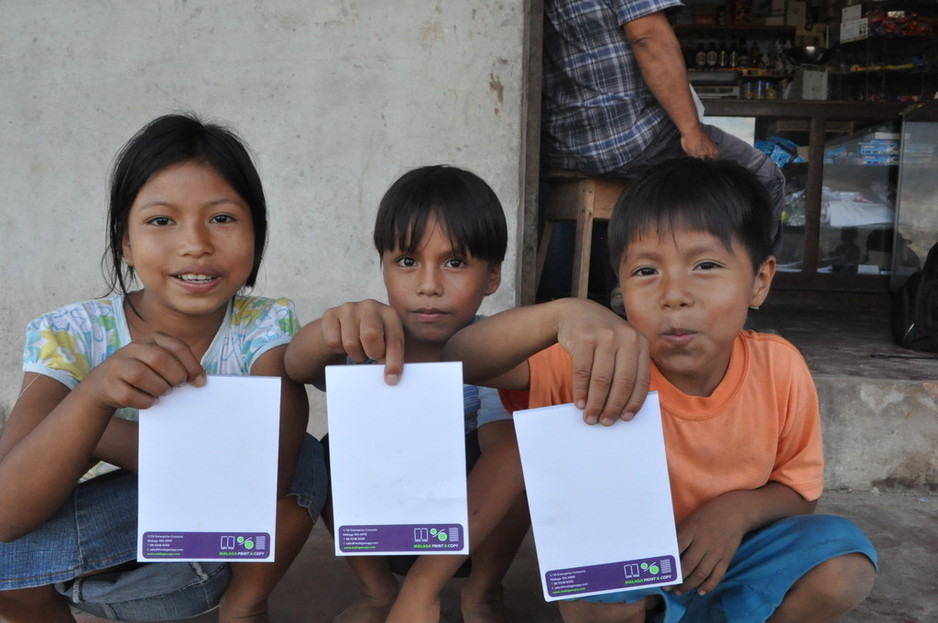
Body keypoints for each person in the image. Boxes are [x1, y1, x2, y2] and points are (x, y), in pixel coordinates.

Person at [444, 157, 877, 623]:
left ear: (760, 281)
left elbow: (799, 490)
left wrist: (735, 513)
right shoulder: (597, 362)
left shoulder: (780, 368)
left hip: (730, 557)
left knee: (843, 566)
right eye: (646, 272)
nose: (674, 294)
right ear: (620, 289)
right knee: (590, 584)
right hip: (629, 568)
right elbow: (462, 359)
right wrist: (560, 315)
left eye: (706, 264)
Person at [0, 114, 327, 623]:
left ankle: (246, 605)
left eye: (222, 218)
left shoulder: (264, 325)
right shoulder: (70, 333)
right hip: (99, 559)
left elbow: (263, 475)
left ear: (257, 236)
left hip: (223, 551)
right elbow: (6, 511)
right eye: (161, 220)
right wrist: (93, 394)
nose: (195, 243)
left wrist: (100, 431)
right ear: (125, 243)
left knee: (305, 450)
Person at [286, 165, 538, 623]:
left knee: (524, 450)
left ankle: (482, 593)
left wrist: (425, 588)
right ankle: (376, 591)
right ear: (382, 266)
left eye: (455, 262)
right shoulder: (370, 340)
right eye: (407, 261)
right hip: (382, 523)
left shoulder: (498, 352)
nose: (428, 285)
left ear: (494, 276)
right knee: (324, 450)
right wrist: (330, 329)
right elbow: (294, 366)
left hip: (472, 529)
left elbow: (506, 453)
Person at [540, 0, 786, 256]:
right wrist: (692, 132)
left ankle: (648, 278)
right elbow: (648, 35)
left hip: (564, 147)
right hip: (628, 137)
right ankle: (729, 291)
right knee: (765, 180)